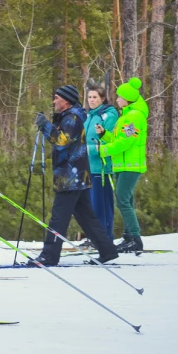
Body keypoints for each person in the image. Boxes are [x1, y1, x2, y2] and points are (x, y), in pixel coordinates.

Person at [30, 85, 118, 267]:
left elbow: (61, 141)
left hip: (71, 177)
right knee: (86, 216)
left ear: (66, 101)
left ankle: (49, 256)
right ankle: (107, 250)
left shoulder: (73, 118)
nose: (54, 101)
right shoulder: (70, 116)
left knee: (58, 218)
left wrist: (45, 125)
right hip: (76, 175)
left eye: (56, 98)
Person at [96, 77, 148, 253]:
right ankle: (129, 236)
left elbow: (126, 143)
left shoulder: (133, 117)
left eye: (119, 96)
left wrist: (102, 150)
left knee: (122, 200)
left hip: (130, 165)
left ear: (127, 98)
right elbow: (120, 140)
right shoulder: (127, 115)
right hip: (123, 164)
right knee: (127, 201)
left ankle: (135, 238)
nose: (117, 99)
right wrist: (104, 135)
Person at [82, 85, 118, 244]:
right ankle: (94, 236)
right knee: (90, 206)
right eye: (89, 97)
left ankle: (104, 238)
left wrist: (90, 150)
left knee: (101, 205)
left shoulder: (108, 115)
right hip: (88, 167)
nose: (91, 100)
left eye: (95, 97)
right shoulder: (89, 116)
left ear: (103, 99)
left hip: (102, 168)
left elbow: (109, 141)